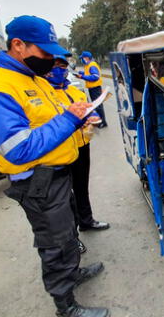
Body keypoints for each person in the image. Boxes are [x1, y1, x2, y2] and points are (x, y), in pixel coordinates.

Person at [0, 15, 109, 317]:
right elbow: (20, 148)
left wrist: (78, 116)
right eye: (45, 52)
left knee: (68, 232)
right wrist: (69, 118)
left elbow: (50, 121)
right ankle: (66, 306)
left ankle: (73, 273)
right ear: (18, 45)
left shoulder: (32, 79)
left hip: (59, 173)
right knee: (55, 243)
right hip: (38, 182)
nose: (50, 59)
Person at [45, 56, 110, 254]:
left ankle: (86, 220)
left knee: (81, 187)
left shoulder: (74, 90)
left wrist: (94, 118)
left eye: (63, 66)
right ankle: (71, 238)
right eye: (55, 66)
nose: (60, 70)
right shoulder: (46, 93)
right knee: (65, 197)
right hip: (61, 149)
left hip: (82, 145)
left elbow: (87, 109)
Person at [76, 52, 107, 128]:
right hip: (92, 88)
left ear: (86, 58)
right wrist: (82, 73)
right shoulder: (88, 65)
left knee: (98, 105)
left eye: (82, 58)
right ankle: (100, 121)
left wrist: (82, 77)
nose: (82, 60)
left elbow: (95, 76)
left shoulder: (92, 65)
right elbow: (89, 73)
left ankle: (103, 122)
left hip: (95, 88)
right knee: (96, 105)